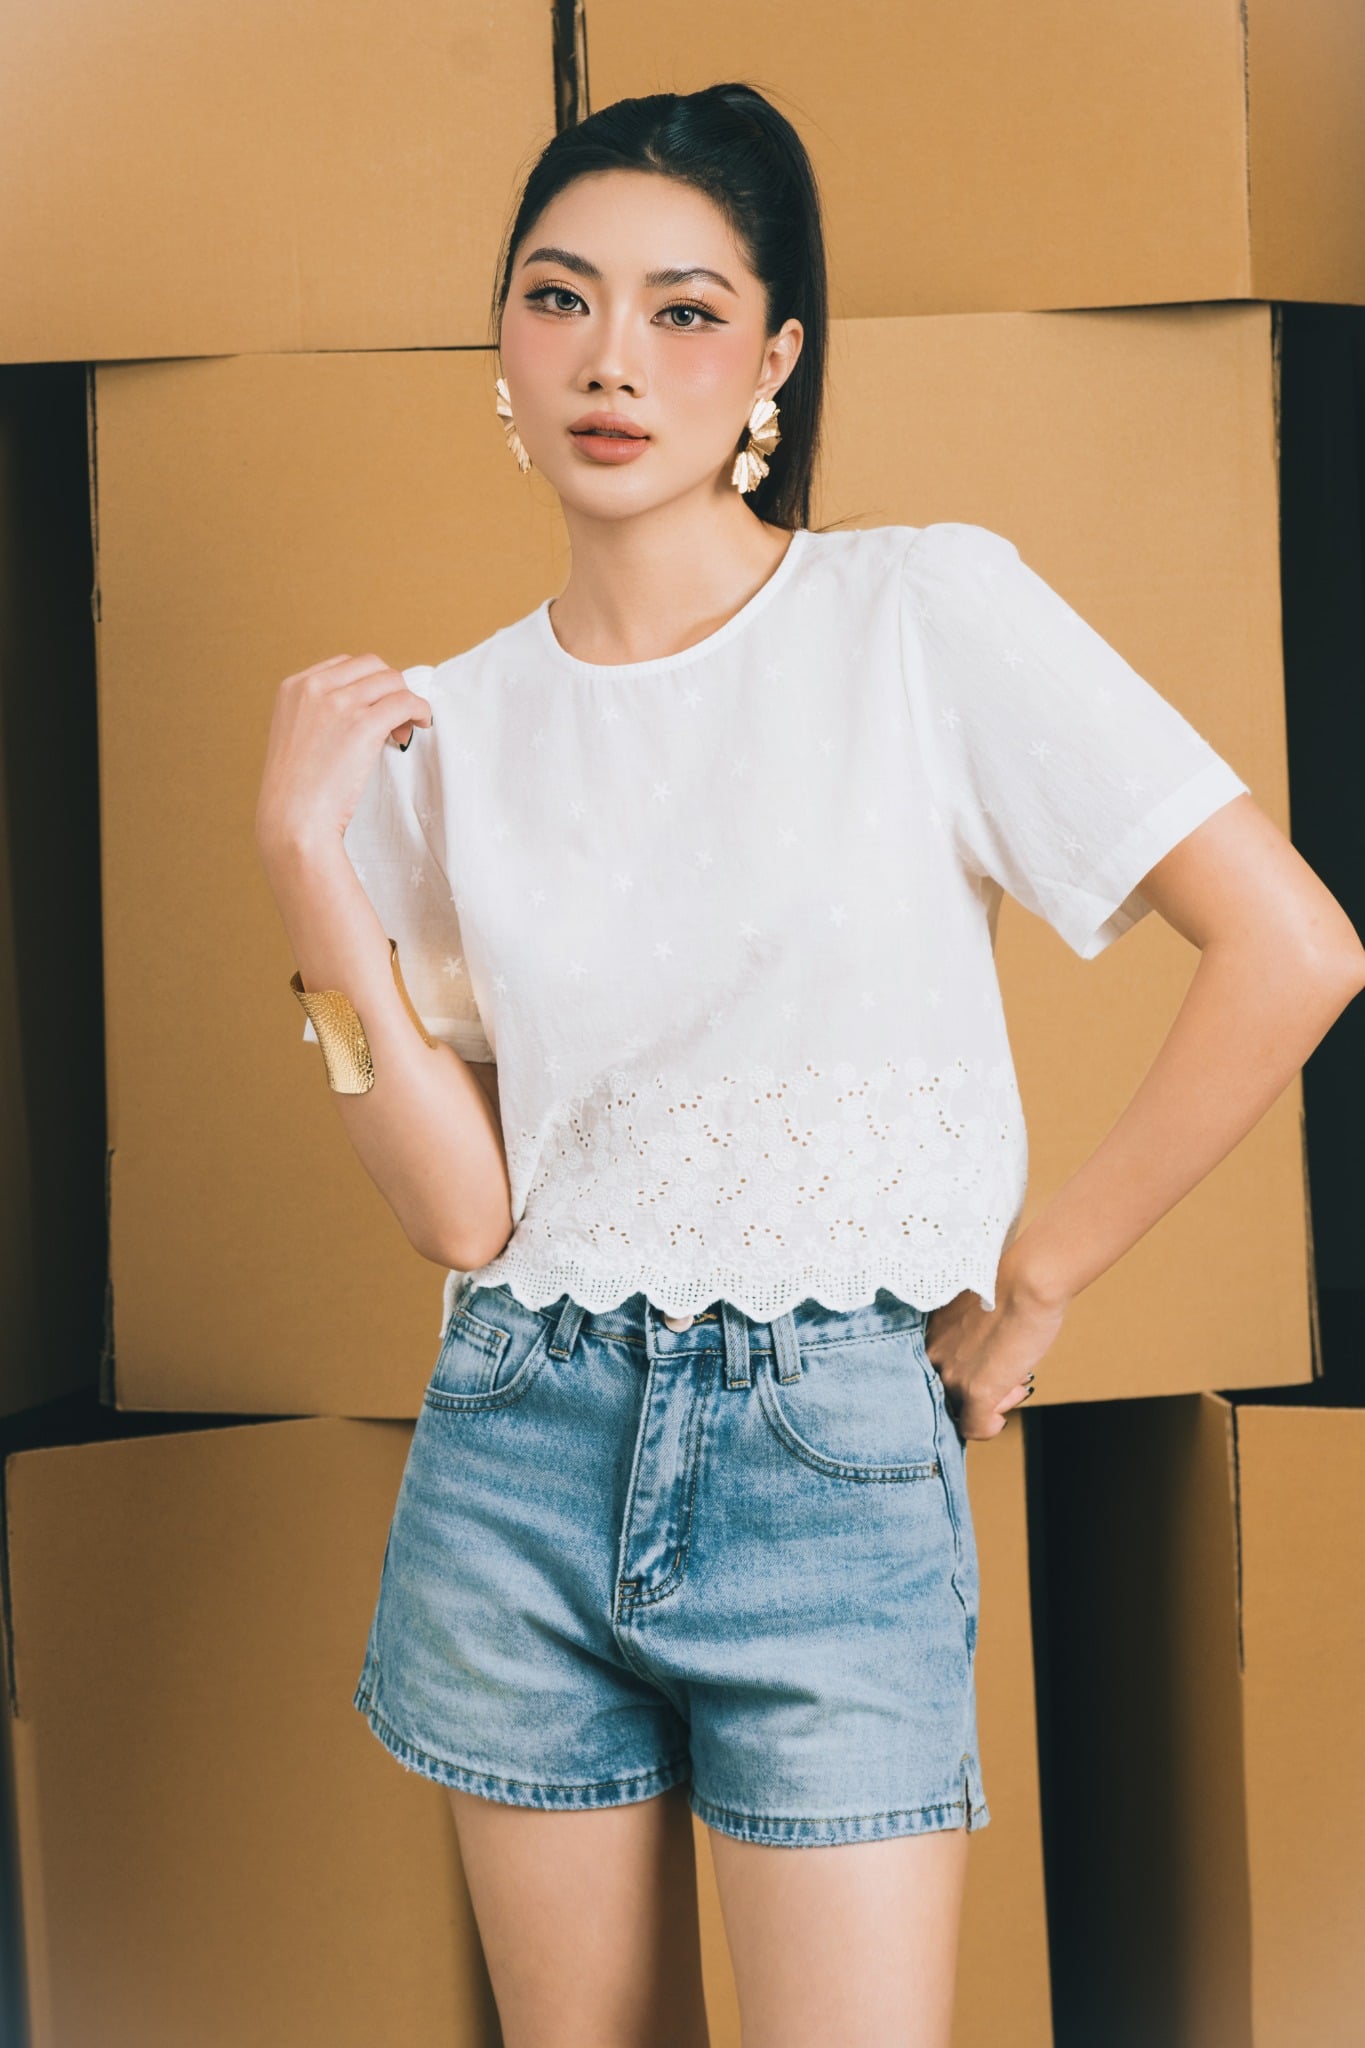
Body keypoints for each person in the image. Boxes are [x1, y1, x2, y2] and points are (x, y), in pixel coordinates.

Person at [254, 81, 1365, 2048]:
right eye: (559, 297)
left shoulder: (915, 614)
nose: (610, 359)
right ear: (500, 340)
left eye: (682, 311)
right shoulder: (449, 731)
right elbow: (463, 1212)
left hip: (827, 1450)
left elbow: (1294, 949)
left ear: (773, 357)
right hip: (513, 1439)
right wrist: (301, 861)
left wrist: (1035, 1282)